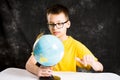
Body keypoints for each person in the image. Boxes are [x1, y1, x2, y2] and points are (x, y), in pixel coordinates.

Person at [25, 4, 103, 77]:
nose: (55, 28)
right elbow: (29, 64)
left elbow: (100, 67)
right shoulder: (44, 42)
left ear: (67, 24)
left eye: (59, 23)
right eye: (51, 24)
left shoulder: (75, 45)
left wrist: (93, 63)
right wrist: (37, 70)